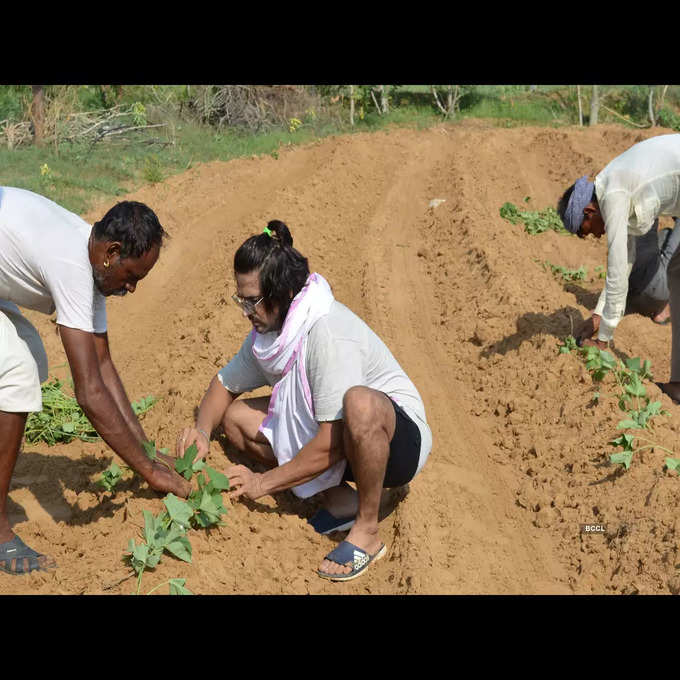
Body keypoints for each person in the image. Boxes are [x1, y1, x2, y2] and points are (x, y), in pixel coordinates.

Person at [176, 220, 432, 582]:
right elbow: (223, 385)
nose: (245, 310)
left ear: (280, 294)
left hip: (395, 443)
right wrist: (202, 431)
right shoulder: (270, 335)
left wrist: (261, 484)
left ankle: (367, 531)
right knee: (234, 419)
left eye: (252, 301)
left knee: (359, 404)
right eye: (241, 299)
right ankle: (341, 500)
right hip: (344, 436)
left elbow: (330, 442)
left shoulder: (325, 333)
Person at [0, 187, 191, 575]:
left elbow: (103, 364)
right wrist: (149, 472)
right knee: (17, 371)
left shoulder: (97, 263)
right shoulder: (72, 263)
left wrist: (149, 451)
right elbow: (88, 392)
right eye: (132, 276)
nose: (132, 288)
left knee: (28, 361)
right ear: (112, 253)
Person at [557, 134, 680, 401]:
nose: (594, 237)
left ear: (589, 211)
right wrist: (599, 315)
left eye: (586, 231)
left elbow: (615, 272)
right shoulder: (611, 188)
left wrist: (602, 340)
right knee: (676, 275)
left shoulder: (612, 195)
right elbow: (625, 262)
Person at [572, 218, 680, 335]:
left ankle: (621, 307)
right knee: (668, 240)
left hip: (632, 290)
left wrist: (603, 310)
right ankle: (664, 310)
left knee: (665, 234)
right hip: (657, 292)